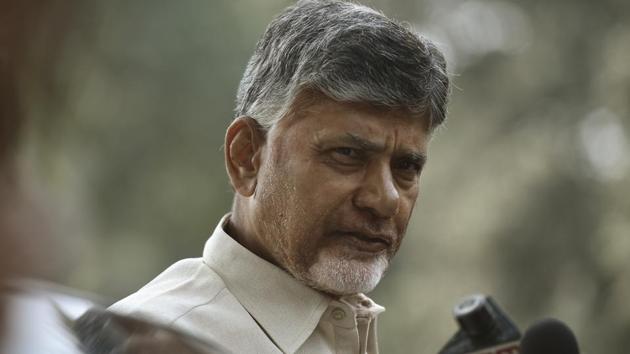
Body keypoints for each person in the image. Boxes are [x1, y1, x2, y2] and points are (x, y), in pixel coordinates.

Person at [110, 0, 450, 353]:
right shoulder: (157, 342)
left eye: (406, 167)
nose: (385, 199)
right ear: (247, 158)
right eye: (347, 154)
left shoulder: (344, 325)